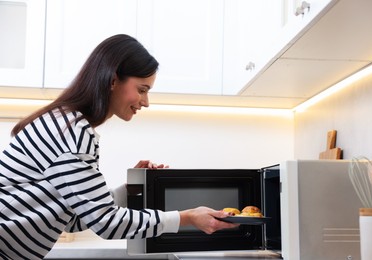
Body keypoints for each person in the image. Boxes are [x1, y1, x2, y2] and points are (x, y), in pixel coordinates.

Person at [0, 34, 237, 259]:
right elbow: (106, 222)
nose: (145, 102)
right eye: (142, 90)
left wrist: (132, 188)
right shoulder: (72, 132)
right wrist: (187, 218)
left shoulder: (68, 123)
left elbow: (72, 218)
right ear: (113, 80)